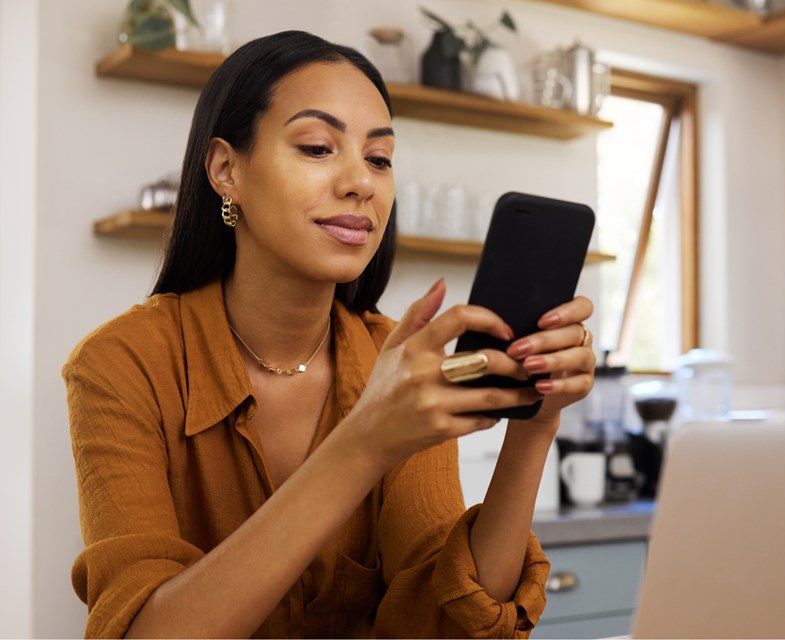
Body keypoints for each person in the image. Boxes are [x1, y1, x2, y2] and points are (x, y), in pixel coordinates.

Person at [63, 30, 596, 638]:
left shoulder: (396, 358)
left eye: (379, 158)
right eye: (318, 147)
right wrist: (365, 443)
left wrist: (536, 428)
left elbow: (446, 624)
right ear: (225, 169)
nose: (361, 183)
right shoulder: (120, 365)